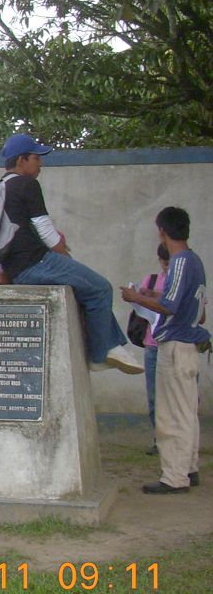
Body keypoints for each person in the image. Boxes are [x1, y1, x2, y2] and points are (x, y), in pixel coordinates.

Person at [0, 133, 141, 373]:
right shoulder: (27, 184)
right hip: (37, 262)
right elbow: (44, 229)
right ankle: (99, 354)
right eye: (36, 158)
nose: (40, 164)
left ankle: (113, 345)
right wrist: (63, 255)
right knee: (101, 288)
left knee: (88, 288)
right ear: (22, 160)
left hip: (15, 268)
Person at [121, 207, 209, 494]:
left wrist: (135, 297)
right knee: (186, 411)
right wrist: (152, 294)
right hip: (189, 344)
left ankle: (174, 476)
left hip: (175, 344)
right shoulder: (194, 261)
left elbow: (170, 307)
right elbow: (185, 303)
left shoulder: (179, 261)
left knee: (170, 413)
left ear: (162, 230)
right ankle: (188, 467)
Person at [136, 244, 171, 453]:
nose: (166, 267)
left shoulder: (180, 279)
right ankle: (159, 439)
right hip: (152, 344)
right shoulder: (151, 279)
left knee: (174, 396)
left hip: (172, 342)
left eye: (169, 263)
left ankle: (173, 440)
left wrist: (151, 296)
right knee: (153, 397)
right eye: (163, 262)